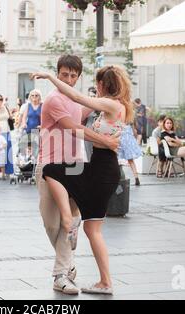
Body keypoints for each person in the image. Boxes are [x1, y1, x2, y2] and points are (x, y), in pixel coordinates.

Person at [32, 64, 131, 296]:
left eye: (73, 75)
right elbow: (77, 115)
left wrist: (47, 76)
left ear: (102, 84)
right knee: (87, 228)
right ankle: (81, 267)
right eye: (64, 75)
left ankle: (84, 274)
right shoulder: (113, 105)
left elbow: (76, 100)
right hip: (96, 167)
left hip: (99, 169)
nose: (69, 79)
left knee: (91, 228)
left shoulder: (109, 104)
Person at [118, 120, 142, 186]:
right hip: (128, 143)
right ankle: (136, 178)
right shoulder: (131, 124)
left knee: (118, 160)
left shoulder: (120, 123)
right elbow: (135, 134)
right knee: (131, 161)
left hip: (121, 142)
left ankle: (119, 177)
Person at [20, 89, 42, 157]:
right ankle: (30, 161)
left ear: (39, 96)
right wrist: (23, 123)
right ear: (30, 97)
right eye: (32, 95)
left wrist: (42, 125)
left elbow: (45, 117)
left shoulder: (42, 105)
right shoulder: (28, 105)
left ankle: (36, 161)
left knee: (36, 147)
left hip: (38, 128)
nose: (34, 97)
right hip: (29, 128)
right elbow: (24, 117)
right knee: (29, 147)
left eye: (36, 95)